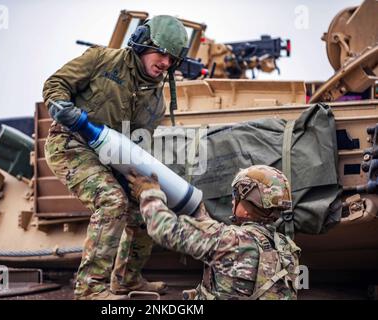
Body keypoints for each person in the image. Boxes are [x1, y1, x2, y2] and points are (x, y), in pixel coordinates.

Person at [42, 15, 189, 300]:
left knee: (148, 203)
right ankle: (90, 289)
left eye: (173, 59)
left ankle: (127, 279)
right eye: (161, 53)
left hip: (114, 157)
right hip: (70, 144)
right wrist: (61, 105)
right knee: (112, 201)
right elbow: (56, 83)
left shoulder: (156, 100)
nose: (166, 63)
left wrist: (145, 186)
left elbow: (137, 144)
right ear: (144, 43)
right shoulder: (101, 59)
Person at [127, 165, 301, 300]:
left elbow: (163, 229)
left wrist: (148, 194)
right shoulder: (287, 248)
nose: (233, 200)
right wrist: (197, 210)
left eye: (236, 195)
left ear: (247, 209)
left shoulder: (229, 240)